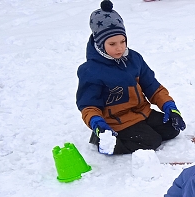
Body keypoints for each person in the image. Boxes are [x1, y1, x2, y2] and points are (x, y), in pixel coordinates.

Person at [76, 1, 186, 155]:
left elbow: (152, 86)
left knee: (172, 129)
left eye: (122, 41)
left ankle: (144, 129)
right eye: (112, 43)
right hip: (117, 122)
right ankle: (103, 141)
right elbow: (88, 106)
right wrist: (97, 122)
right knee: (151, 141)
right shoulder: (91, 71)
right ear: (100, 44)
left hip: (143, 112)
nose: (120, 48)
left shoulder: (134, 59)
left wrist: (169, 106)